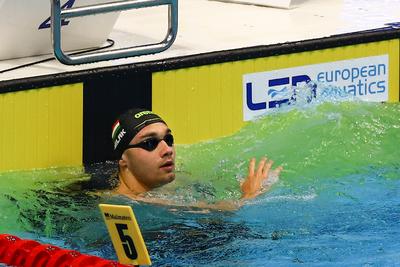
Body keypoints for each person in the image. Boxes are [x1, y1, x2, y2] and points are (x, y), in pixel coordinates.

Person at [111, 108, 283, 208]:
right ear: (123, 161)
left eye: (168, 139)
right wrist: (250, 195)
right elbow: (226, 212)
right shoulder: (132, 204)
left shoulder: (171, 182)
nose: (167, 149)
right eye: (150, 143)